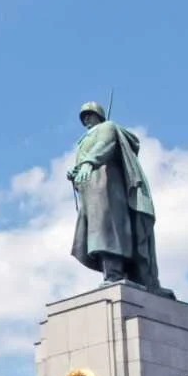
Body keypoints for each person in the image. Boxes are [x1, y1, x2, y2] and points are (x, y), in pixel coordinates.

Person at [67, 99, 164, 294]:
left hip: (108, 187)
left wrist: (88, 163)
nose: (86, 119)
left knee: (108, 230)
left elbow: (104, 146)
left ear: (99, 115)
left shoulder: (107, 127)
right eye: (83, 116)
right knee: (96, 233)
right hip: (91, 191)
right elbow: (84, 163)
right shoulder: (82, 140)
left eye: (90, 114)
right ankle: (111, 273)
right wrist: (75, 173)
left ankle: (115, 273)